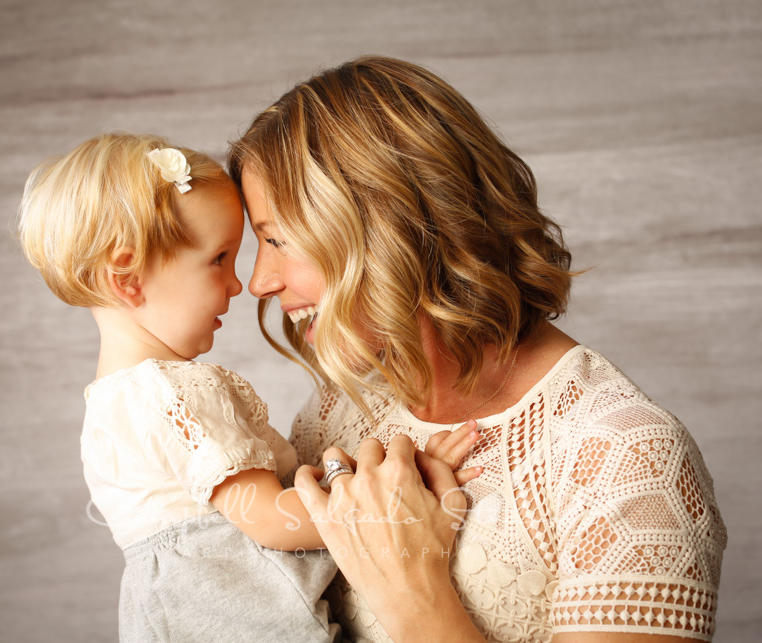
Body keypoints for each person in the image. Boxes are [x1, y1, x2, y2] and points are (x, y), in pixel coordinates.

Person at [228, 56, 728, 642]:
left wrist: (410, 589)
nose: (259, 282)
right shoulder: (334, 414)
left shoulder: (625, 455)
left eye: (278, 240)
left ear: (391, 224)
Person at [16, 133, 364, 642]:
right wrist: (380, 497)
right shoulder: (173, 393)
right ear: (128, 279)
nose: (237, 284)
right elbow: (270, 522)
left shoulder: (109, 404)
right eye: (220, 259)